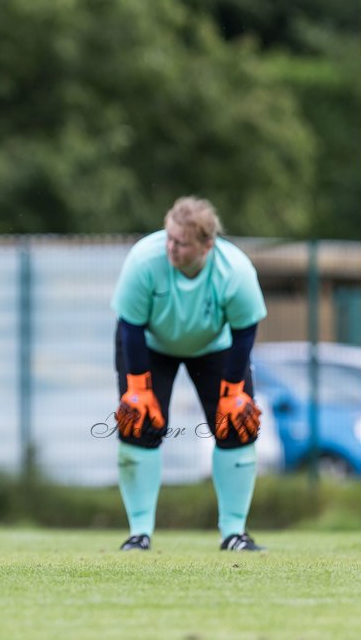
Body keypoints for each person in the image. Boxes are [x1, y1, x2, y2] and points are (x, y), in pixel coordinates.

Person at [110, 196, 266, 552]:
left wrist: (232, 392)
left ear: (206, 245)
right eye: (169, 237)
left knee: (237, 426)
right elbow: (130, 326)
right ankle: (139, 534)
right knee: (138, 425)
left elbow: (245, 331)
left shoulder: (235, 271)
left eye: (181, 243)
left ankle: (234, 534)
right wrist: (138, 388)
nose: (171, 247)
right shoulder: (144, 259)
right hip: (148, 344)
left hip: (216, 347)